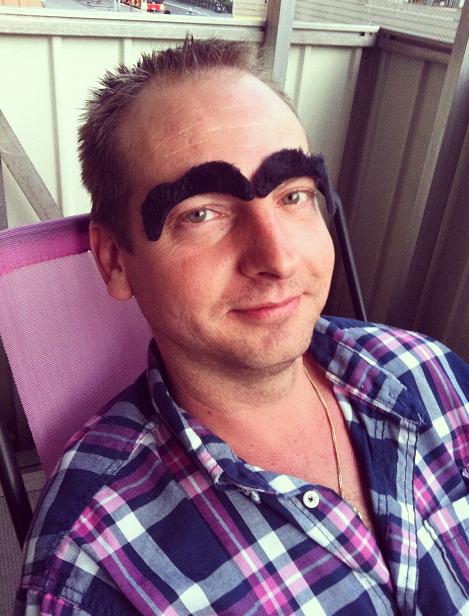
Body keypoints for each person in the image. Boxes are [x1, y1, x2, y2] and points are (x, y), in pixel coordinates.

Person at [15, 37, 469, 615]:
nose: (278, 259)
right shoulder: (93, 567)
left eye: (293, 195)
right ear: (114, 261)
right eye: (202, 213)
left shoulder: (431, 374)